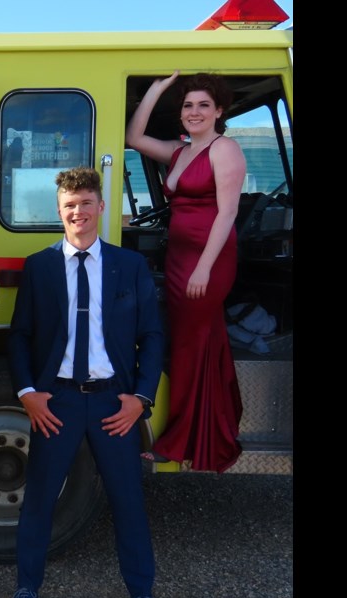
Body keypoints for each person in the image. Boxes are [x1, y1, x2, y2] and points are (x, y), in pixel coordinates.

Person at [6, 168, 164, 598]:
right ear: (59, 211)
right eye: (70, 204)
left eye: (86, 202)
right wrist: (28, 394)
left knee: (128, 500)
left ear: (101, 208)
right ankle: (26, 587)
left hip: (115, 404)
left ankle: (141, 593)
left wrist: (140, 399)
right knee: (38, 500)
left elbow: (153, 336)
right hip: (58, 403)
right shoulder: (41, 266)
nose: (78, 211)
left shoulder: (129, 267)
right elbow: (20, 336)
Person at [125, 71, 245, 472]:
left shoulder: (224, 149)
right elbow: (133, 138)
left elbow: (227, 213)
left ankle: (180, 441)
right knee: (190, 343)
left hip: (208, 261)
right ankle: (203, 430)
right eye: (188, 105)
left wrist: (204, 270)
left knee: (190, 345)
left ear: (219, 111)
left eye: (203, 105)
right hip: (179, 258)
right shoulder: (179, 152)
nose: (194, 112)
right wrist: (156, 91)